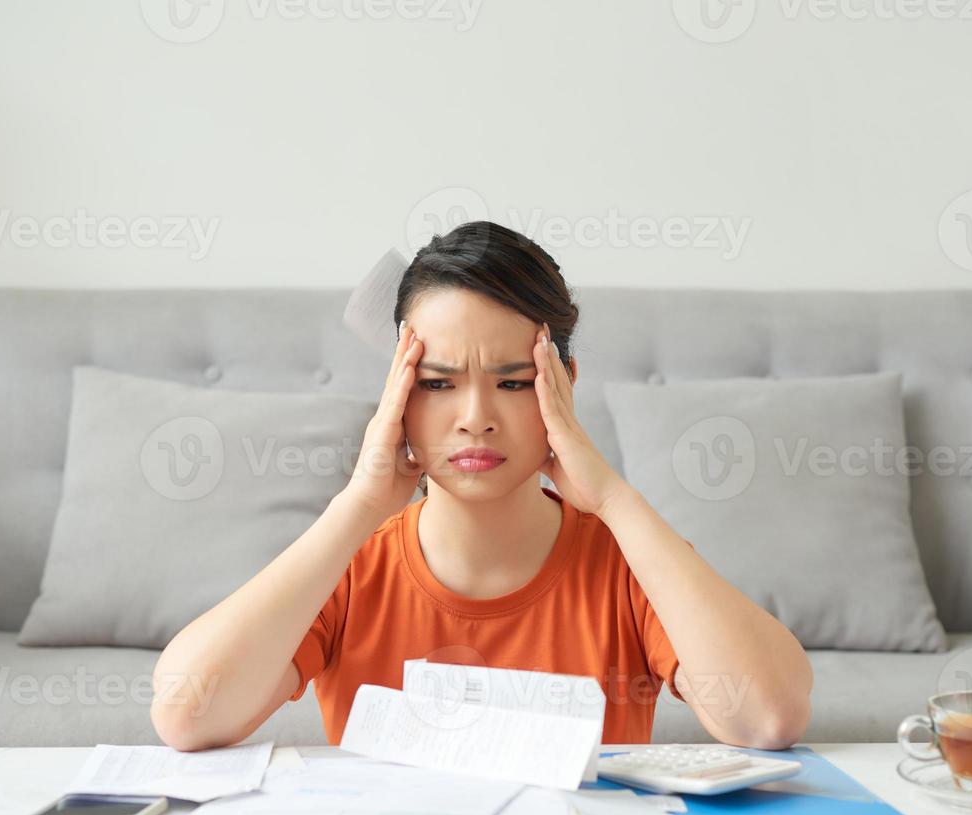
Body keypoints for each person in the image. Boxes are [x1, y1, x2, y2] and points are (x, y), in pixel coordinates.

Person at [151, 221, 812, 752]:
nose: (474, 417)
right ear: (398, 396)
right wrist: (355, 508)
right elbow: (186, 716)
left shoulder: (626, 563)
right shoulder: (348, 570)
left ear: (562, 387)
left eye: (513, 383)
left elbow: (767, 719)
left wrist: (612, 498)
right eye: (436, 384)